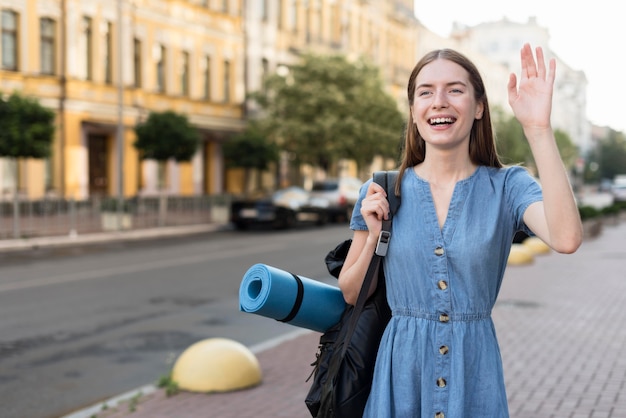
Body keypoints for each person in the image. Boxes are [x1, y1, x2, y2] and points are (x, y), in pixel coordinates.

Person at [337, 43, 583, 417]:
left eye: (455, 89)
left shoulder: (508, 187)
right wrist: (374, 236)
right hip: (400, 380)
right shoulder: (381, 191)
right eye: (426, 92)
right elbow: (353, 293)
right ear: (414, 111)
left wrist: (538, 129)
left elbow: (566, 239)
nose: (439, 101)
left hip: (474, 379)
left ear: (479, 106)